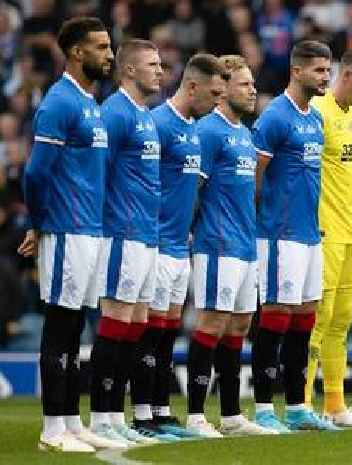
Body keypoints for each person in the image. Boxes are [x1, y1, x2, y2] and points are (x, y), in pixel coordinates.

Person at [18, 17, 117, 452]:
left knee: (76, 324)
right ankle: (52, 428)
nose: (110, 54)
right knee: (60, 324)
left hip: (89, 230)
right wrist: (40, 225)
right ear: (77, 52)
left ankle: (71, 421)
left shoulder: (90, 103)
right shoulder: (58, 103)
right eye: (101, 47)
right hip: (65, 228)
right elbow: (36, 173)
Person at [185, 55, 275, 437]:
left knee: (239, 326)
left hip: (245, 243)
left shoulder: (244, 133)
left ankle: (232, 414)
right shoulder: (208, 131)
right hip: (217, 243)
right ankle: (193, 416)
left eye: (253, 83)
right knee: (212, 324)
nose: (252, 89)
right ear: (222, 91)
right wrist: (189, 229)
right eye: (244, 84)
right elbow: (193, 187)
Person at [251, 40, 337, 432]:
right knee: (276, 317)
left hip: (308, 234)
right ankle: (265, 408)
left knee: (305, 319)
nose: (325, 77)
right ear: (297, 70)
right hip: (279, 235)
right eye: (319, 70)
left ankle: (299, 407)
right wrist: (257, 221)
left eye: (328, 70)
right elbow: (254, 175)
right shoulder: (274, 117)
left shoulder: (315, 119)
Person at [139, 53, 226, 438]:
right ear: (192, 86)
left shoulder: (194, 127)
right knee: (150, 333)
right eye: (214, 93)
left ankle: (159, 409)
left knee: (167, 332)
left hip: (179, 244)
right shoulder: (157, 124)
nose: (217, 102)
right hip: (154, 243)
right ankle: (143, 414)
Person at [88, 38, 168, 446]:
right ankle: (102, 417)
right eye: (153, 64)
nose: (161, 71)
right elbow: (95, 173)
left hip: (147, 236)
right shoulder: (114, 113)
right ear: (130, 70)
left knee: (136, 325)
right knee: (117, 321)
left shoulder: (147, 116)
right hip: (121, 234)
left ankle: (116, 415)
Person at [303, 48, 352, 428]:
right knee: (317, 320)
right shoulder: (318, 111)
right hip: (323, 232)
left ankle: (334, 405)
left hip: (351, 231)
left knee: (342, 320)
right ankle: (301, 404)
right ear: (346, 76)